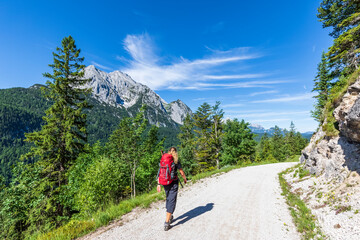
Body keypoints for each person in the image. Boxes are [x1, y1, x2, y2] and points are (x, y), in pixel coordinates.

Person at [157, 147, 187, 231]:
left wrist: (158, 183)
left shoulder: (164, 159)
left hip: (165, 182)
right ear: (175, 152)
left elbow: (160, 171)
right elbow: (181, 172)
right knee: (172, 200)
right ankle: (167, 222)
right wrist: (185, 179)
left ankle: (169, 215)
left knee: (168, 198)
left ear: (169, 151)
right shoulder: (175, 161)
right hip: (173, 183)